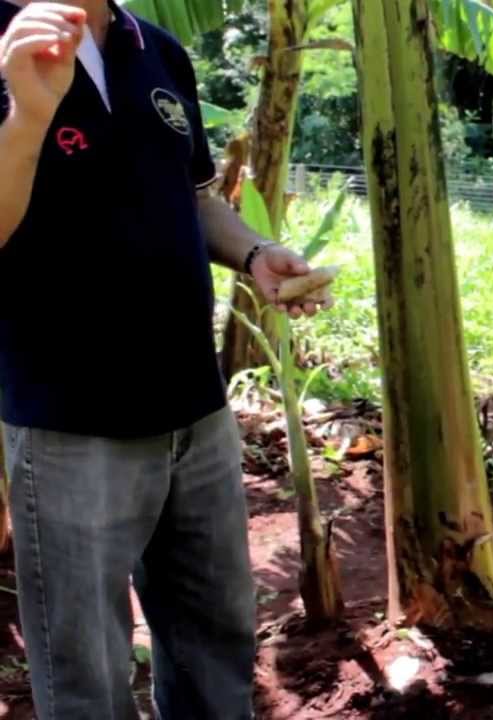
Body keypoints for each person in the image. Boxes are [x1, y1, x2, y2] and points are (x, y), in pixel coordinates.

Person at [0, 1, 323, 717]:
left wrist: (254, 253)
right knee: (87, 677)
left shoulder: (159, 51)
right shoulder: (3, 44)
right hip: (70, 424)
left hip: (194, 412)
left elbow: (192, 195)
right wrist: (26, 120)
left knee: (216, 646)